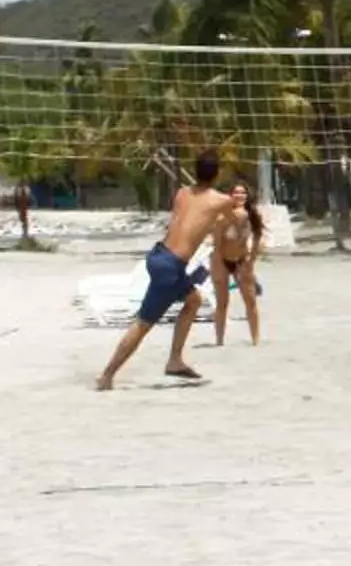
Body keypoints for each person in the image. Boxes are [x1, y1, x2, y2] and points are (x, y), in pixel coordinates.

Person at [96, 150, 238, 389]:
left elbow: (192, 219)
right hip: (170, 267)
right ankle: (107, 376)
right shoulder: (221, 200)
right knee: (143, 323)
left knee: (193, 300)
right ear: (218, 174)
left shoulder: (182, 193)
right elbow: (232, 222)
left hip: (159, 255)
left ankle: (175, 360)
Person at [210, 178, 267, 347]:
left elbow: (257, 238)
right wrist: (219, 263)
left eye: (243, 192)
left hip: (242, 260)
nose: (240, 195)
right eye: (236, 192)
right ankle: (219, 340)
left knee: (250, 300)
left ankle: (255, 338)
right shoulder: (222, 218)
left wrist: (252, 259)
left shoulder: (252, 216)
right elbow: (217, 244)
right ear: (230, 196)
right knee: (222, 302)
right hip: (221, 259)